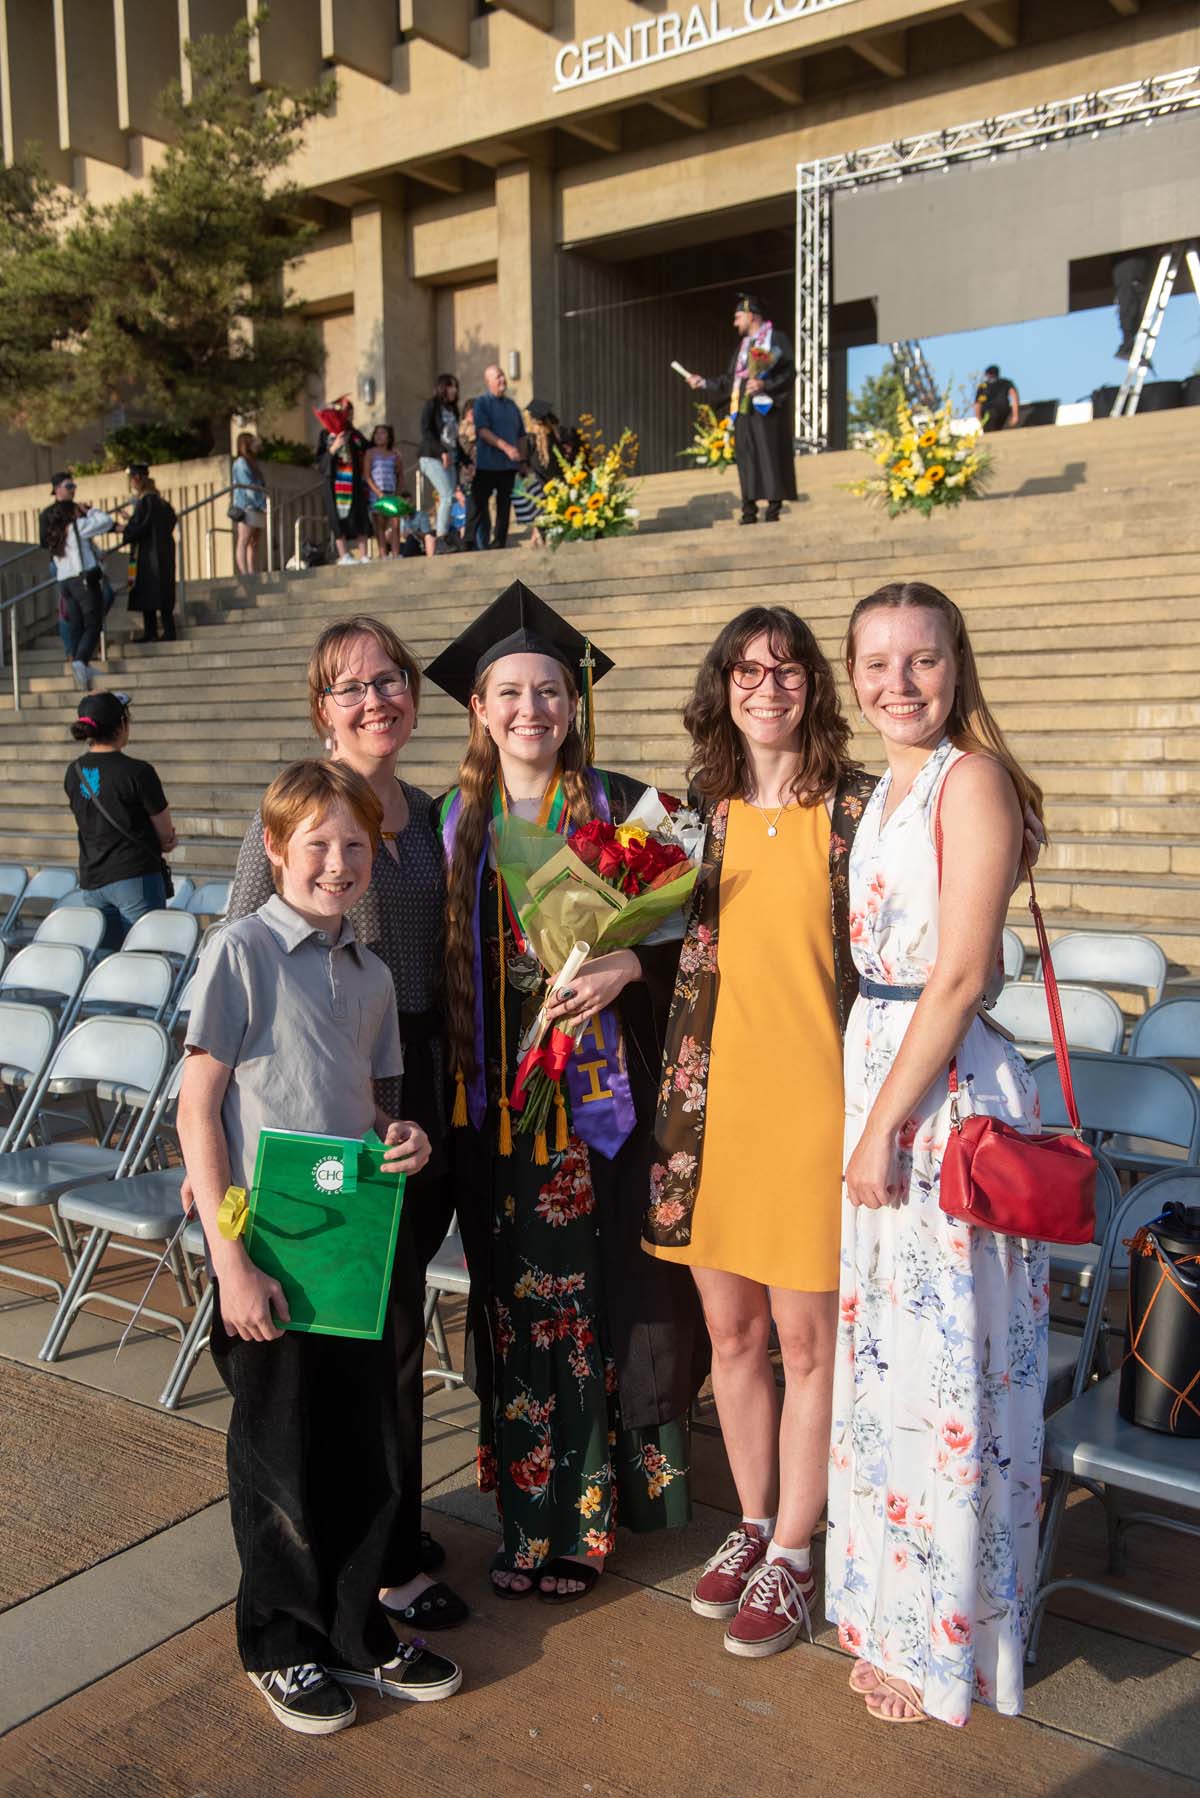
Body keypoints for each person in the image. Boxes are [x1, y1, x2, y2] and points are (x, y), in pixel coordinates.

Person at [427, 581, 709, 1603]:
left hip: (601, 1117)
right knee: (513, 1312)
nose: (532, 709)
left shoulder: (631, 806)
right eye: (511, 692)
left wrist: (631, 968)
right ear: (480, 708)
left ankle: (587, 1526)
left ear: (574, 704)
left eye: (550, 690)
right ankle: (523, 1516)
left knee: (594, 1307)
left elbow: (704, 933)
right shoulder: (446, 821)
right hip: (495, 1117)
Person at [178, 758, 461, 1736]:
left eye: (356, 846)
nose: (338, 863)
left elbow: (374, 1109)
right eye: (318, 845)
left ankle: (356, 1629)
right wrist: (230, 1261)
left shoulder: (374, 974)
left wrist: (408, 1138)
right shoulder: (242, 951)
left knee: (364, 1439)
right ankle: (283, 1641)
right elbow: (197, 1109)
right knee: (280, 1453)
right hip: (274, 1240)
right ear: (275, 850)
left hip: (356, 1233)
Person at [827, 580, 1048, 1728]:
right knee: (896, 1368)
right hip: (885, 1057)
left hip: (941, 1086)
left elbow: (959, 973)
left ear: (957, 667)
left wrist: (878, 1129)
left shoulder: (974, 779)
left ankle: (949, 1635)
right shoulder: (890, 787)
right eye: (875, 662)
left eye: (921, 661)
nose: (897, 684)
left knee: (947, 1362)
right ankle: (896, 1606)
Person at [643, 605, 876, 1659]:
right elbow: (647, 940)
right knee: (731, 1336)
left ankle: (795, 1547)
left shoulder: (862, 810)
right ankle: (749, 1518)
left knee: (805, 1342)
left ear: (813, 686)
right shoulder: (696, 812)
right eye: (747, 671)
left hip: (818, 1111)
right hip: (710, 1108)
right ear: (721, 687)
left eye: (786, 671)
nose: (767, 688)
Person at [224, 615, 462, 1624]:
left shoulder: (445, 816)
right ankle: (361, 1557)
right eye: (350, 686)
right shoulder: (304, 815)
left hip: (420, 1083)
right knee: (345, 1330)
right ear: (321, 710)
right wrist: (215, 1161)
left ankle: (387, 1530)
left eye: (391, 677)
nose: (377, 698)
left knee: (399, 1324)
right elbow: (240, 968)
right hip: (326, 1100)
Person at [63, 690, 177, 948]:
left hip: (93, 879)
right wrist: (166, 840)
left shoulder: (75, 771)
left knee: (107, 960)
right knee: (144, 956)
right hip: (135, 876)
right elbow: (164, 830)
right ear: (122, 724)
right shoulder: (138, 772)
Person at [688, 294, 797, 525]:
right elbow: (730, 380)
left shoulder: (775, 339)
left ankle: (773, 507)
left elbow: (788, 372)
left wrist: (764, 384)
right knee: (746, 458)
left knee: (768, 455)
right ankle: (749, 508)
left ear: (751, 315)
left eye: (738, 317)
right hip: (743, 410)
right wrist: (704, 382)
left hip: (766, 408)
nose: (735, 323)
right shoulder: (743, 347)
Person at [44, 493, 115, 691]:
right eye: (77, 510)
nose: (80, 512)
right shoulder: (77, 528)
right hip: (82, 580)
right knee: (93, 622)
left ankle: (79, 663)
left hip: (65, 583)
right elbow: (106, 522)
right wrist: (90, 510)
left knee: (76, 624)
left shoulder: (56, 534)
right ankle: (80, 661)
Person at [464, 364, 523, 552]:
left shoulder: (512, 406)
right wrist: (506, 448)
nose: (502, 380)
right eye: (497, 377)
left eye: (503, 376)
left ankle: (499, 542)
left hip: (508, 466)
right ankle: (468, 541)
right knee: (477, 503)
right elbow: (482, 431)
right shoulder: (482, 403)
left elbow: (521, 435)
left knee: (504, 506)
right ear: (488, 382)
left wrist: (522, 460)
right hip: (488, 464)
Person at [120, 464, 177, 642]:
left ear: (137, 479)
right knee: (162, 593)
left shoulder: (146, 502)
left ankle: (151, 631)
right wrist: (132, 521)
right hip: (164, 554)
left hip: (147, 557)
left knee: (147, 592)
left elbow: (140, 527)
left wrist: (127, 527)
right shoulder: (162, 503)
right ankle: (167, 630)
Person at [317, 400, 370, 564]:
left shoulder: (354, 434)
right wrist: (334, 447)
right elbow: (320, 461)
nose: (347, 414)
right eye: (344, 411)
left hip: (353, 481)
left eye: (349, 411)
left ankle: (364, 555)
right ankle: (344, 555)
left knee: (360, 515)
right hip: (334, 482)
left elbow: (369, 448)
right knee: (336, 518)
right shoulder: (325, 435)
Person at [418, 374, 462, 552]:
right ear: (443, 388)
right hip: (431, 457)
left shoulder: (453, 409)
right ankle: (441, 538)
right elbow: (426, 430)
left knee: (450, 498)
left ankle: (448, 535)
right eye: (451, 386)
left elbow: (454, 439)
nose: (454, 390)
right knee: (445, 495)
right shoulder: (432, 405)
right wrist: (441, 451)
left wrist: (465, 460)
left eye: (456, 386)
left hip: (449, 457)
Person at [511, 400, 562, 549]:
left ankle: (538, 538)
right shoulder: (550, 434)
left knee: (541, 513)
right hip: (546, 479)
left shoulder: (532, 437)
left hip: (540, 479)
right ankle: (539, 538)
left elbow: (524, 460)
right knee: (544, 513)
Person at [365, 424, 405, 558]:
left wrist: (398, 494)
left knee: (395, 523)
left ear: (389, 436)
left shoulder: (395, 454)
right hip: (377, 493)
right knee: (380, 524)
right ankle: (383, 555)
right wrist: (378, 493)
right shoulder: (370, 453)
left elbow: (400, 475)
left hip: (391, 492)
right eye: (376, 433)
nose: (379, 436)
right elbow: (367, 476)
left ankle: (395, 554)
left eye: (382, 433)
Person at [231, 434, 268, 575]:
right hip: (247, 506)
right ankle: (244, 571)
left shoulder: (252, 462)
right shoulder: (241, 462)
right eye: (252, 441)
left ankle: (252, 571)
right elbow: (248, 486)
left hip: (257, 506)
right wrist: (261, 503)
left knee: (254, 542)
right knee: (244, 539)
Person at [973, 365, 1019, 432]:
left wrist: (980, 421)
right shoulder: (1006, 383)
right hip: (1002, 412)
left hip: (992, 414)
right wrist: (1015, 415)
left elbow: (977, 405)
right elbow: (1014, 397)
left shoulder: (983, 386)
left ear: (987, 374)